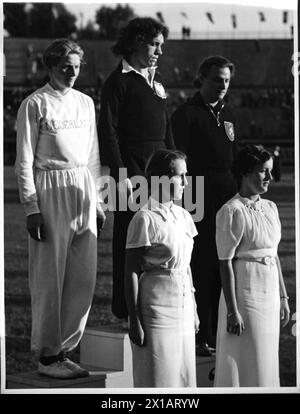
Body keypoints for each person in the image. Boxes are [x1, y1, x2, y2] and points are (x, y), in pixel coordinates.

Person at [15, 39, 105, 379]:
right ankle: (48, 355)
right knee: (50, 276)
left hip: (81, 185)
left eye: (77, 66)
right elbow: (23, 161)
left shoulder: (85, 103)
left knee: (83, 276)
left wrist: (97, 200)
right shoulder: (34, 104)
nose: (71, 72)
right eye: (65, 66)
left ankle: (65, 350)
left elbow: (93, 155)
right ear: (50, 66)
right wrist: (31, 208)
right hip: (49, 188)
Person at [99, 17, 175, 322]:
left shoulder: (156, 82)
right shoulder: (117, 82)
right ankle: (125, 308)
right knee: (131, 241)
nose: (159, 51)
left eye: (161, 45)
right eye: (154, 44)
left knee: (162, 236)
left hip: (161, 170)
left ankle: (154, 304)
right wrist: (122, 175)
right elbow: (108, 131)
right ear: (135, 42)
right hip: (132, 173)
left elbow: (166, 128)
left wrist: (175, 164)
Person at [171, 56, 238, 356]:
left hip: (227, 197)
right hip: (197, 195)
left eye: (226, 80)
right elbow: (177, 160)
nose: (222, 85)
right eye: (216, 79)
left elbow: (234, 159)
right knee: (200, 265)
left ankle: (217, 332)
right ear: (201, 78)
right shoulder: (185, 114)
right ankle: (199, 334)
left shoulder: (228, 116)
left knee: (225, 262)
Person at [214, 145, 290, 387]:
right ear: (245, 173)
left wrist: (284, 297)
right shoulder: (231, 211)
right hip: (246, 295)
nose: (269, 177)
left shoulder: (271, 208)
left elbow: (274, 255)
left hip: (269, 296)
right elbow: (224, 263)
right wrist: (232, 310)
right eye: (263, 171)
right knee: (249, 357)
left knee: (267, 359)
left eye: (269, 171)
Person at [125, 150, 199, 387]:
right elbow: (131, 271)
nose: (186, 183)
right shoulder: (144, 218)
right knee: (159, 376)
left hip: (184, 306)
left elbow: (186, 266)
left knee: (184, 375)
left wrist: (194, 307)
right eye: (181, 176)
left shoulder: (184, 215)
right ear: (161, 178)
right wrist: (134, 318)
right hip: (156, 308)